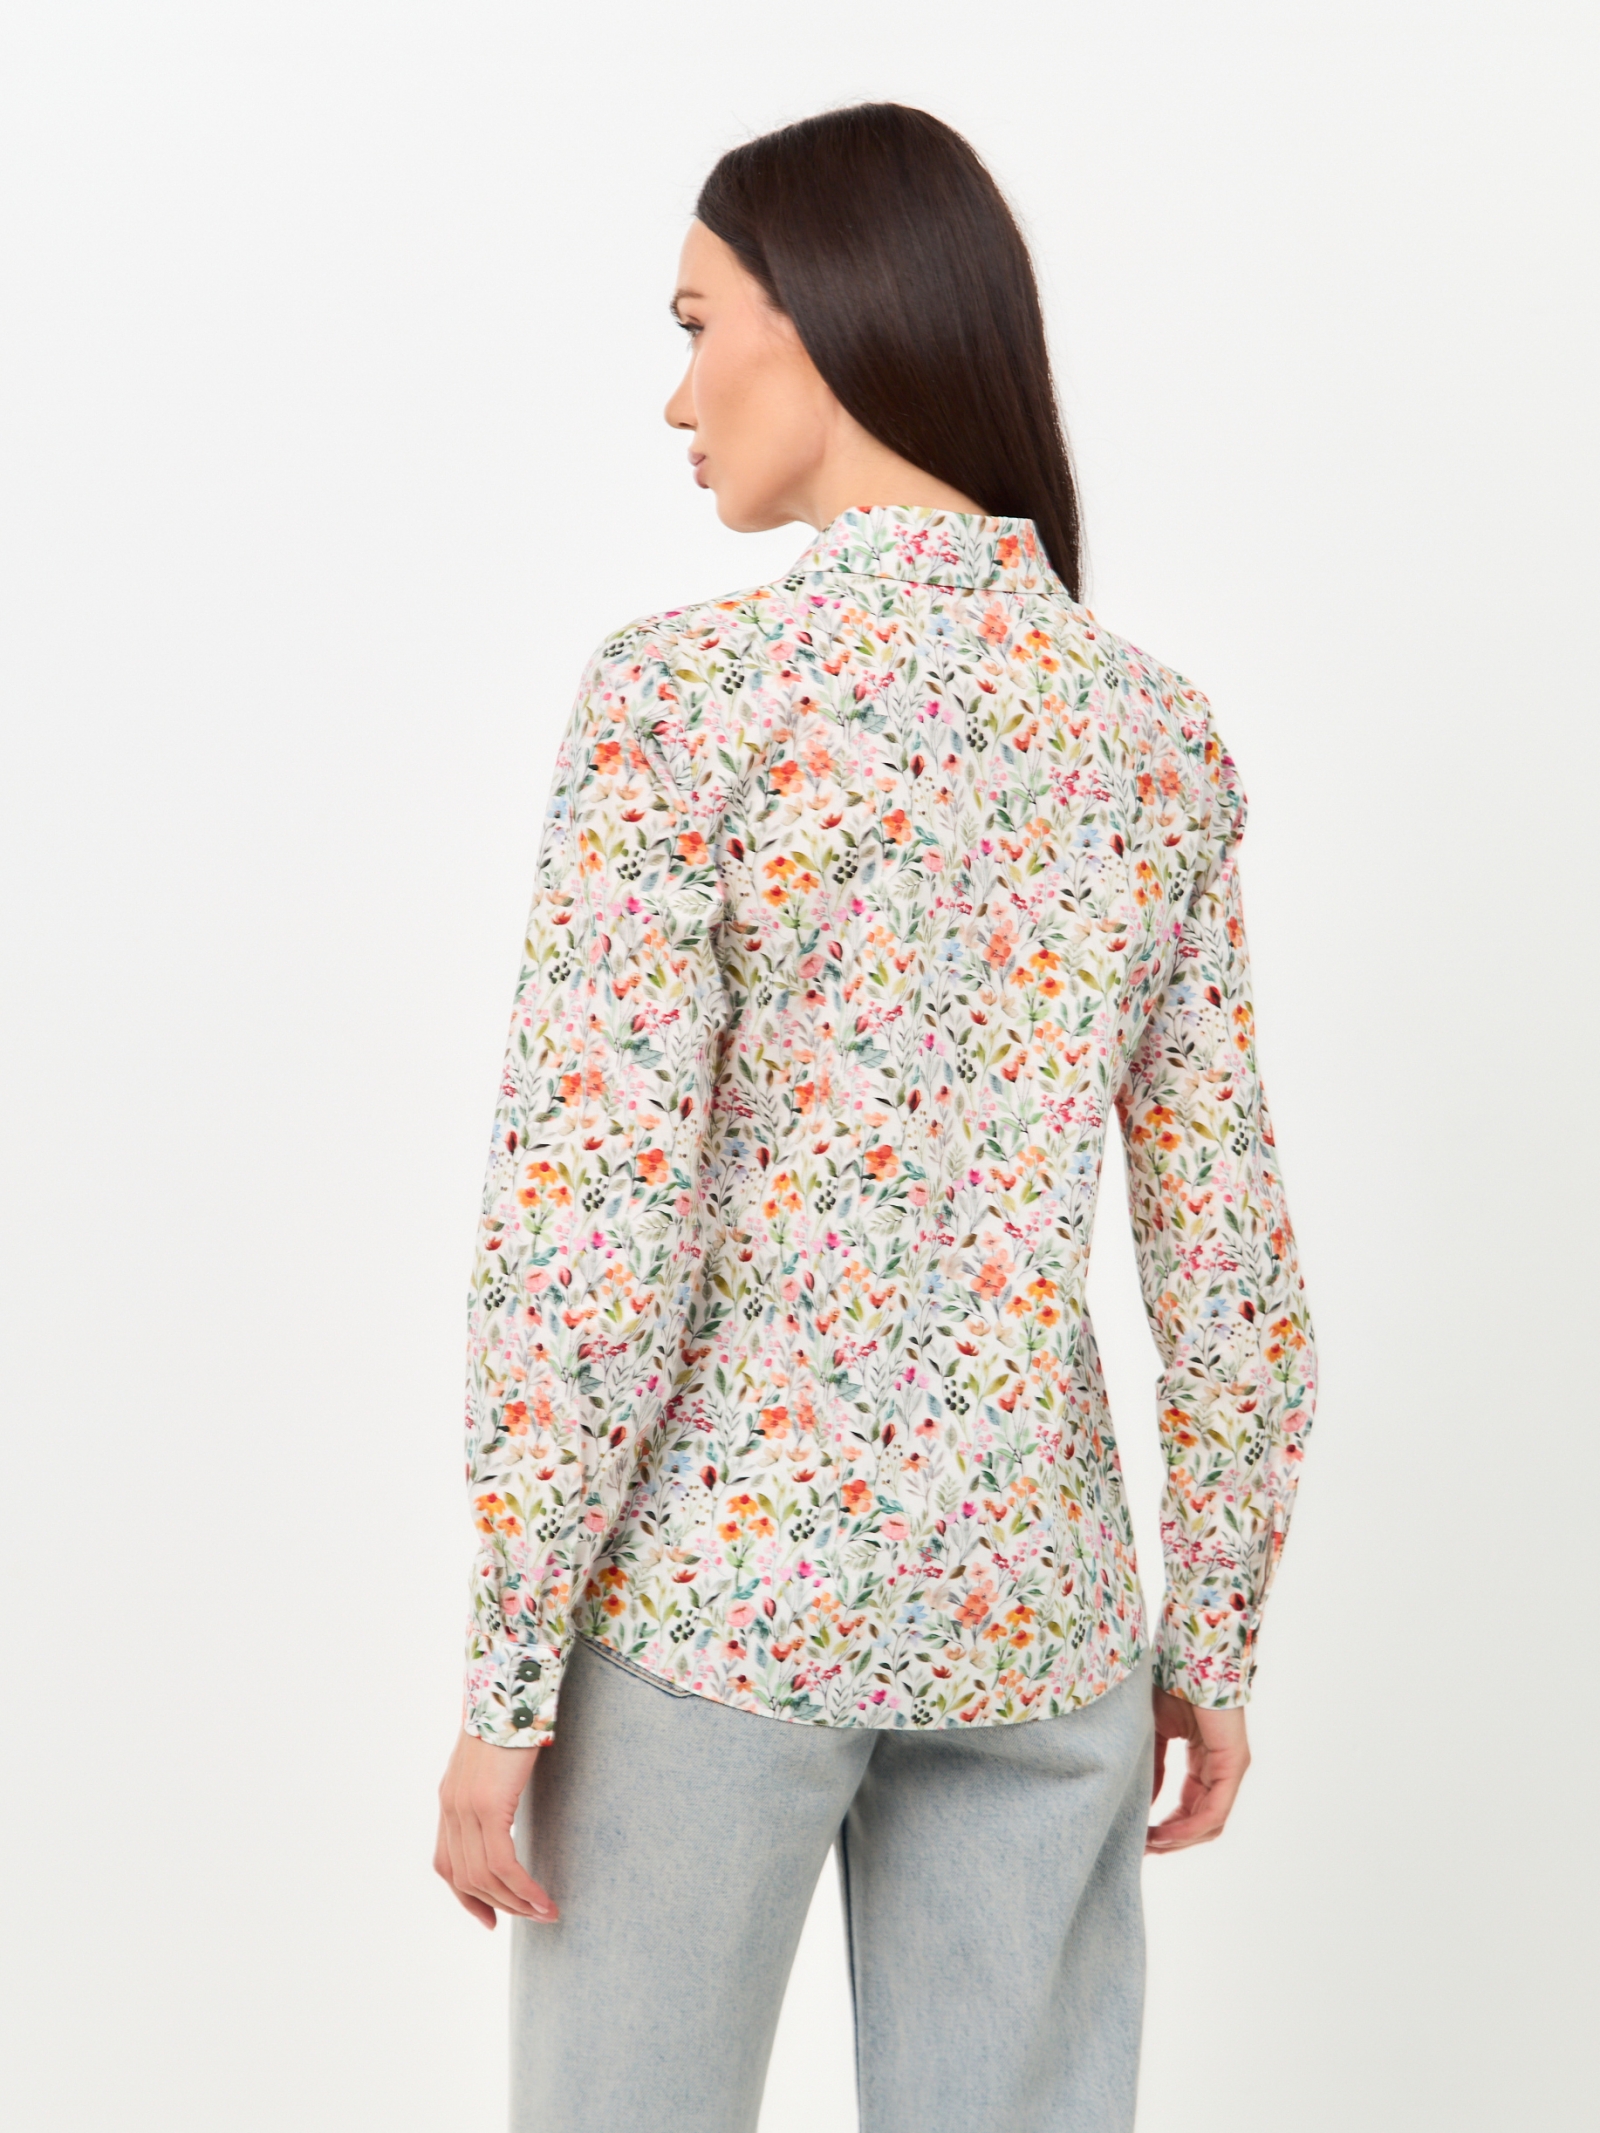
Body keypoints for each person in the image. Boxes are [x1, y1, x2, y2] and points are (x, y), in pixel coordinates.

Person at [434, 101, 1317, 2133]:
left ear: (824, 317)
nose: (676, 395)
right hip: (1041, 1614)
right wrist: (1213, 1630)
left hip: (713, 1606)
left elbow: (590, 1224)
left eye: (695, 325)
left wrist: (506, 1669)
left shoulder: (683, 701)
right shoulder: (1150, 736)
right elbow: (1231, 1264)